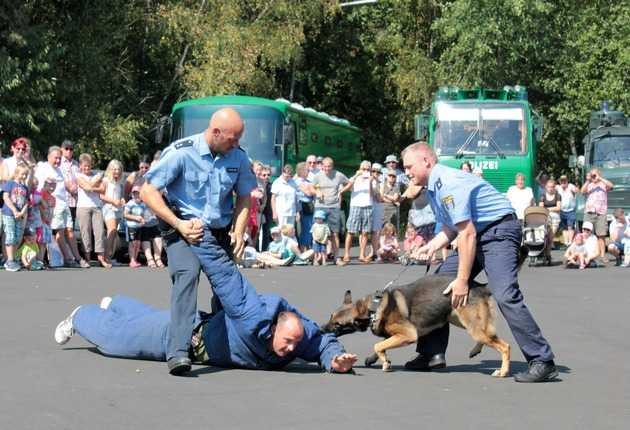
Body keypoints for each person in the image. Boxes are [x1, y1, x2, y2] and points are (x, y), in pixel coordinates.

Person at [401, 141, 557, 383]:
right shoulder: (432, 187)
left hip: (499, 231)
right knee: (434, 286)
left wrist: (462, 281)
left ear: (426, 161)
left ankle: (542, 360)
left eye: (409, 167)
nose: (406, 172)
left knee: (505, 293)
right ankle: (431, 354)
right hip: (478, 232)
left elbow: (467, 234)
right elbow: (452, 227)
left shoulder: (448, 183)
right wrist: (431, 246)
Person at [140, 108, 256, 375]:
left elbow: (244, 196)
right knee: (187, 276)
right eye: (232, 138)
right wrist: (177, 223)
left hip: (220, 232)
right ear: (215, 132)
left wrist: (239, 230)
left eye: (239, 139)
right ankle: (178, 351)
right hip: (184, 230)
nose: (236, 144)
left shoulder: (238, 157)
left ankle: (225, 340)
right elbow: (148, 191)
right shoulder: (182, 152)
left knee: (227, 288)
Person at [53, 283, 358, 373]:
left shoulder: (296, 332)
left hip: (201, 331)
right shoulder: (257, 314)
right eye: (288, 342)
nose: (292, 349)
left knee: (141, 319)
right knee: (115, 341)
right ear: (273, 328)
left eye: (295, 344)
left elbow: (320, 342)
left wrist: (334, 359)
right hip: (185, 335)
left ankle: (116, 302)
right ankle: (82, 315)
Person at [35, 146, 89, 268]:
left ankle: (74, 257)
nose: (58, 161)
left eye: (60, 158)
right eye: (55, 158)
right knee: (58, 231)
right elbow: (38, 188)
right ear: (48, 157)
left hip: (63, 204)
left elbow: (64, 187)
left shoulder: (59, 170)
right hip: (50, 206)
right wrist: (44, 205)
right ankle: (71, 259)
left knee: (69, 231)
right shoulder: (43, 168)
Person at [306, 158, 349, 263]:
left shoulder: (338, 175)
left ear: (332, 166)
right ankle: (317, 257)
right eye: (325, 166)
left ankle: (336, 257)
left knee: (334, 233)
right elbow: (310, 188)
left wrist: (341, 192)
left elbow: (349, 183)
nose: (326, 168)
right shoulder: (318, 176)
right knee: (317, 232)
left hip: (334, 207)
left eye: (329, 166)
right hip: (320, 206)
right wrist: (317, 193)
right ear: (322, 166)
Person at [75, 153, 110, 268]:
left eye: (89, 165)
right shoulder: (78, 175)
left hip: (96, 206)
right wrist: (96, 182)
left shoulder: (96, 174)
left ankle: (101, 258)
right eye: (84, 166)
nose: (87, 168)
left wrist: (92, 187)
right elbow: (87, 188)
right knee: (85, 233)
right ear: (80, 165)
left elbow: (102, 190)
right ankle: (88, 257)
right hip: (83, 207)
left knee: (99, 232)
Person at [339, 161, 374, 265]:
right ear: (359, 168)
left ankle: (362, 254)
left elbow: (372, 194)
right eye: (364, 169)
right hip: (356, 206)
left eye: (368, 169)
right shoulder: (355, 178)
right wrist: (356, 175)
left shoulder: (372, 179)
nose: (366, 171)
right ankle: (346, 254)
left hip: (368, 205)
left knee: (365, 232)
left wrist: (370, 182)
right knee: (351, 231)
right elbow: (347, 188)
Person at [581, 168, 613, 264]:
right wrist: (587, 180)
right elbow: (582, 191)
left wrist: (600, 178)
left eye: (595, 175)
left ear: (599, 175)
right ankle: (586, 254)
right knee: (586, 234)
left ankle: (602, 256)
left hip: (601, 212)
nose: (593, 177)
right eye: (592, 175)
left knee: (601, 235)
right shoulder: (589, 185)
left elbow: (611, 186)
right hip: (589, 211)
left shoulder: (603, 184)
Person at [2, 164, 30, 271]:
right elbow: (6, 197)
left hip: (19, 216)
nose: (24, 176)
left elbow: (27, 202)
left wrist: (22, 212)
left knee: (18, 237)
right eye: (23, 174)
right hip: (9, 213)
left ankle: (12, 259)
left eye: (26, 175)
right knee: (10, 235)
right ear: (17, 173)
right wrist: (14, 210)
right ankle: (9, 260)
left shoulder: (25, 188)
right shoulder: (10, 184)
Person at [100, 160, 126, 266]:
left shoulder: (120, 182)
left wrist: (123, 200)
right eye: (114, 169)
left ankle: (109, 256)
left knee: (114, 233)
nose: (117, 171)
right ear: (110, 170)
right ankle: (106, 257)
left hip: (118, 209)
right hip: (108, 207)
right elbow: (101, 196)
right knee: (112, 230)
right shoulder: (106, 180)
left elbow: (122, 196)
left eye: (119, 169)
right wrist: (112, 201)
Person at [124, 185, 147, 268]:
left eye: (138, 193)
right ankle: (132, 260)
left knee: (137, 243)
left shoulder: (143, 204)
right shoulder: (130, 203)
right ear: (132, 195)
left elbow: (145, 215)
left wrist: (144, 220)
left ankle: (135, 259)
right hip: (131, 227)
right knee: (132, 243)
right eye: (134, 194)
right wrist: (136, 218)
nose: (136, 195)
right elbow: (125, 215)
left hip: (139, 227)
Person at [294, 162, 315, 251]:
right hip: (302, 205)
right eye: (307, 170)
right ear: (301, 171)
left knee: (309, 228)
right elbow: (309, 192)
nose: (309, 171)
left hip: (309, 205)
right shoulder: (297, 181)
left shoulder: (308, 182)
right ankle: (302, 249)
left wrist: (310, 189)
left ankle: (306, 249)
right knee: (306, 228)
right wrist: (310, 189)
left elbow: (311, 192)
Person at [556, 175, 578, 247]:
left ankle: (570, 241)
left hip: (571, 210)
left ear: (567, 181)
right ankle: (566, 242)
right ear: (560, 181)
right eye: (562, 181)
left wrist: (574, 189)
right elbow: (549, 187)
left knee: (570, 226)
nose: (563, 182)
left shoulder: (570, 186)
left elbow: (577, 190)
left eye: (565, 180)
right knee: (564, 227)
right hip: (562, 210)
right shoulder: (558, 187)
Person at [369, 162, 384, 261]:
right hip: (367, 206)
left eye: (378, 172)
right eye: (373, 171)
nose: (375, 173)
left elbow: (380, 198)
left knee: (376, 231)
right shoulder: (367, 180)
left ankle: (374, 252)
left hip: (377, 207)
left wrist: (375, 190)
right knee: (366, 231)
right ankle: (369, 252)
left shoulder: (381, 182)